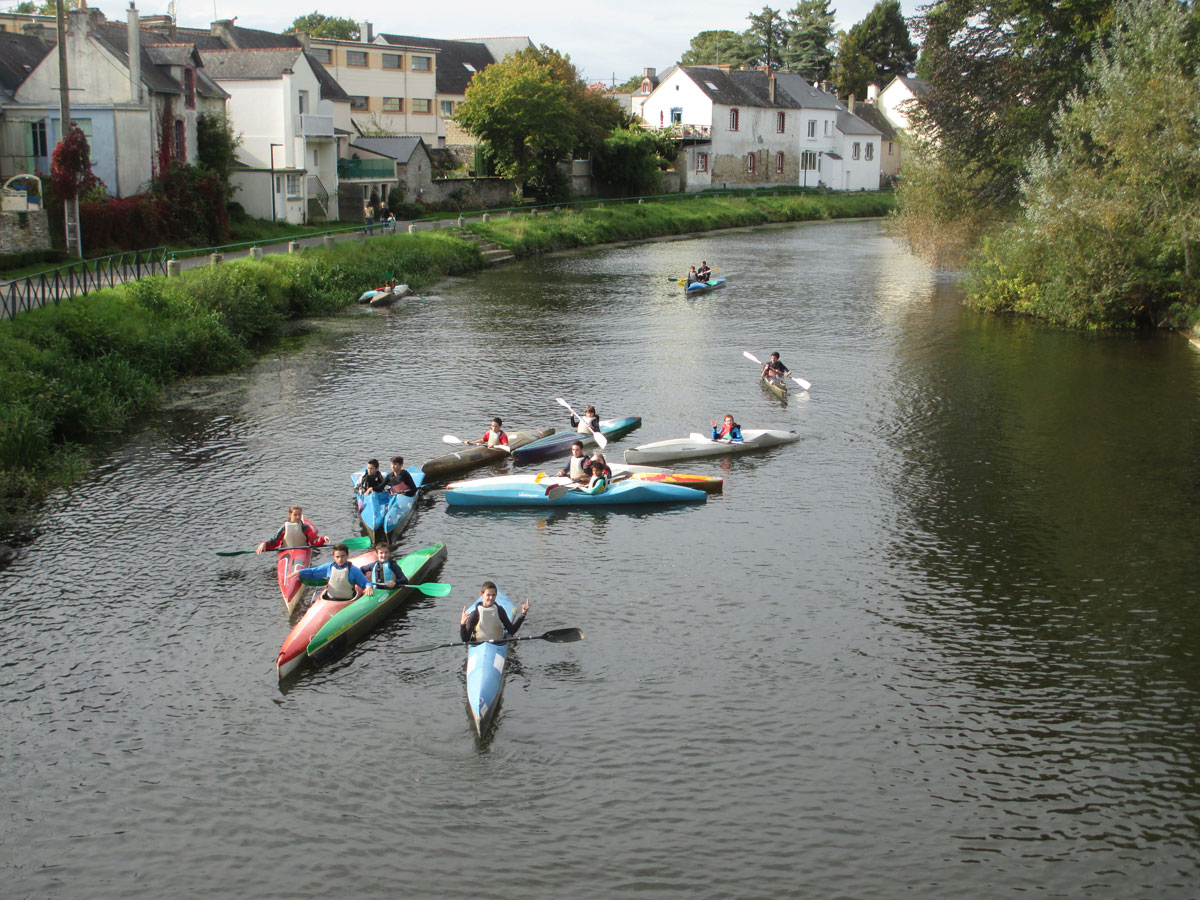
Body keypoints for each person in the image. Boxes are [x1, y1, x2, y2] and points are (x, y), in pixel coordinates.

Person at [297, 543, 372, 602]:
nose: (340, 559)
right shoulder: (328, 567)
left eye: (342, 556)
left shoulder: (353, 570)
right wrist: (300, 572)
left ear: (347, 555)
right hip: (329, 599)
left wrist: (368, 586)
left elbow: (365, 582)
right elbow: (313, 572)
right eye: (337, 557)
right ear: (333, 557)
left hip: (347, 601)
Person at [459, 581, 529, 643]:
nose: (491, 598)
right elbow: (465, 640)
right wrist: (462, 625)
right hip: (479, 644)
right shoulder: (475, 614)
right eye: (488, 595)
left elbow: (512, 630)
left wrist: (523, 614)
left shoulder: (499, 610)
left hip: (498, 643)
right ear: (482, 595)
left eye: (493, 595)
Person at [256, 506, 328, 554]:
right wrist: (264, 544)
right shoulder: (284, 528)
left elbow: (314, 541)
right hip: (286, 553)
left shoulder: (305, 528)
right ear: (289, 515)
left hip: (302, 552)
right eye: (295, 515)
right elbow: (274, 541)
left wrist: (323, 539)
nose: (298, 517)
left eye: (299, 515)